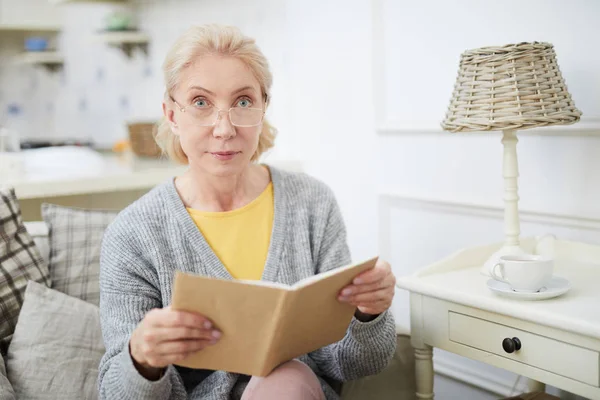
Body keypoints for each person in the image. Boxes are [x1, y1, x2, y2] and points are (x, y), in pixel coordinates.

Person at [97, 24, 397, 400]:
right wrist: (142, 358)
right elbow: (113, 393)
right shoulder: (133, 233)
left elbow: (354, 365)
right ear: (172, 115)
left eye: (242, 102)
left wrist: (368, 315)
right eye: (201, 103)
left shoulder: (311, 203)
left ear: (262, 107)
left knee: (284, 379)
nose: (224, 129)